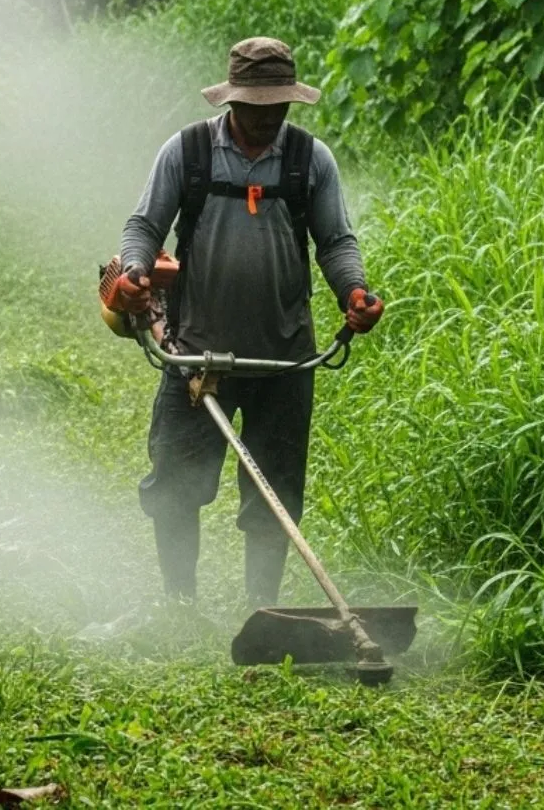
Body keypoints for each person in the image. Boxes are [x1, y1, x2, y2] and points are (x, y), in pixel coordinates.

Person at [113, 37, 382, 607]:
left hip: (283, 357)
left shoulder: (311, 160)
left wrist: (354, 292)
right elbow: (143, 227)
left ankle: (265, 607)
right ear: (231, 101)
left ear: (290, 102)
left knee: (275, 495)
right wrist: (136, 270)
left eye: (276, 107)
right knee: (176, 486)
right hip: (195, 354)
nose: (264, 119)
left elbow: (335, 241)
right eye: (253, 107)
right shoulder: (186, 154)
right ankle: (180, 603)